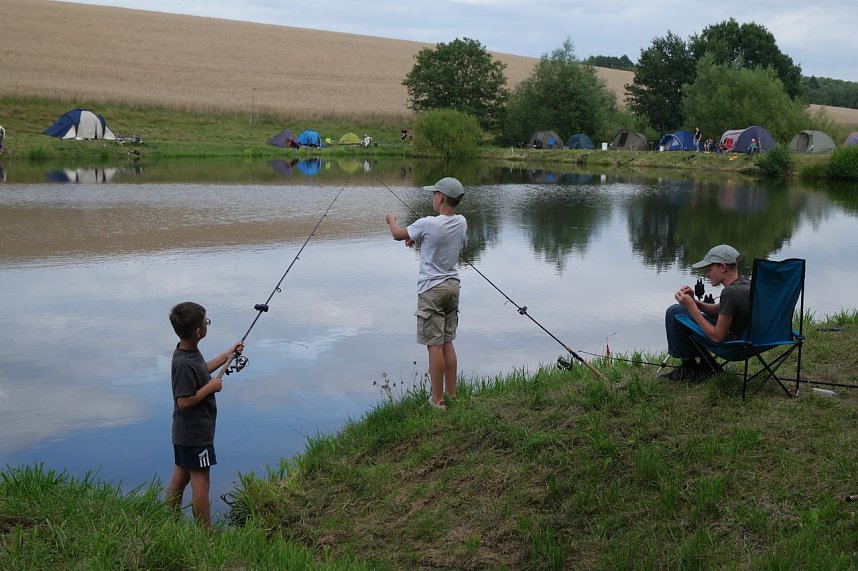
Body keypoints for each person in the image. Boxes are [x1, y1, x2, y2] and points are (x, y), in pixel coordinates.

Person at [385, 177, 467, 410]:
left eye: (434, 194)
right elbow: (438, 238)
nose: (432, 197)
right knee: (448, 341)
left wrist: (391, 220)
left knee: (434, 345)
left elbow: (397, 234)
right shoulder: (461, 222)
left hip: (431, 290)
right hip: (453, 287)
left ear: (440, 197)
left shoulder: (427, 223)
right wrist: (416, 237)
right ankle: (451, 394)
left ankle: (437, 400)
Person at [166, 301, 243, 527]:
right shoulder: (183, 365)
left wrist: (227, 354)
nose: (207, 324)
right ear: (199, 332)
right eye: (206, 322)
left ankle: (170, 524)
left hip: (184, 433)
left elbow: (201, 370)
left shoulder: (187, 353)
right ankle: (205, 537)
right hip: (194, 434)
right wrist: (210, 388)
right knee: (201, 484)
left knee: (179, 480)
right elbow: (184, 402)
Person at [662, 244, 751, 381]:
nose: (707, 274)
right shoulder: (745, 283)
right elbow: (719, 309)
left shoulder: (729, 292)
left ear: (722, 267)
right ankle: (705, 365)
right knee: (679, 309)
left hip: (734, 343)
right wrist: (695, 302)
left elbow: (717, 337)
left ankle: (689, 367)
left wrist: (691, 307)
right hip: (749, 338)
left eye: (709, 269)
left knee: (674, 313)